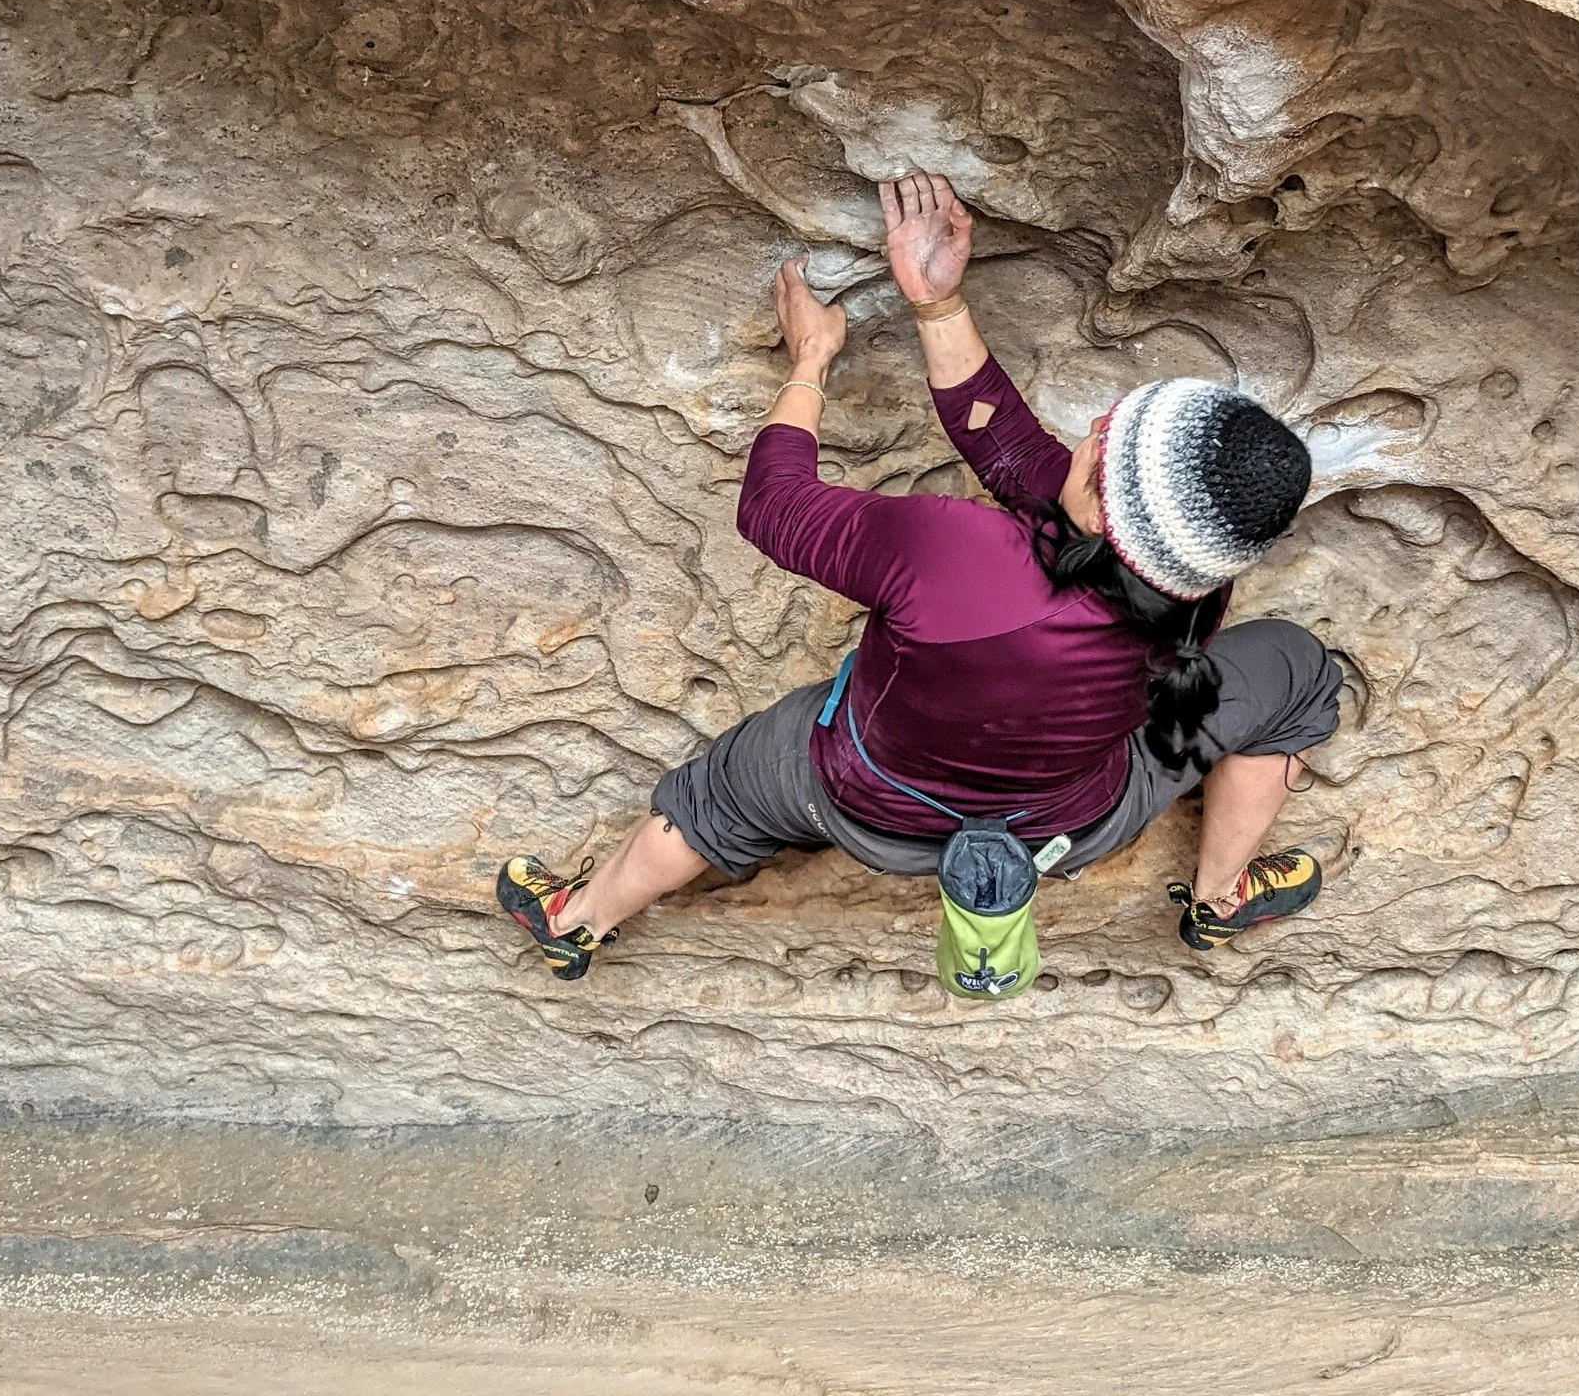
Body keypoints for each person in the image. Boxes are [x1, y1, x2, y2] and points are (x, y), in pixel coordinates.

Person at [496, 171, 1341, 983]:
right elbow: (1019, 460)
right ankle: (1218, 898)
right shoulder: (1191, 576)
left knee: (719, 797)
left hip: (860, 800)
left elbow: (774, 507)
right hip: (1074, 821)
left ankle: (575, 922)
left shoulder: (959, 555)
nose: (1092, 424)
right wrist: (936, 302)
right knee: (1296, 672)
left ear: (1103, 506)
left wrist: (811, 361)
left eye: (1109, 436)